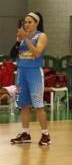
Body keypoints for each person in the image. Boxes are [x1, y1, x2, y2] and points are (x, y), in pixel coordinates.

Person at [10, 12, 51, 146]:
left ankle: (45, 135)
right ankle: (25, 133)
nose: (26, 24)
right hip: (22, 72)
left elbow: (37, 52)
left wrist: (26, 38)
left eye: (30, 22)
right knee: (24, 105)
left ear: (36, 23)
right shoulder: (21, 37)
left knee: (38, 105)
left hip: (34, 73)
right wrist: (18, 40)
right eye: (25, 22)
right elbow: (12, 55)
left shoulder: (41, 36)